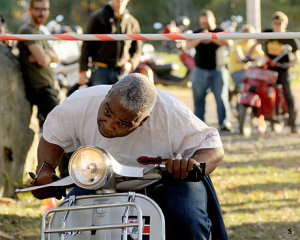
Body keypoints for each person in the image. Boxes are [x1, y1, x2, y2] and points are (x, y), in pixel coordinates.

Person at [30, 73, 227, 239]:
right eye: (107, 111)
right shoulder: (80, 103)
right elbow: (52, 138)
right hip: (100, 180)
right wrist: (45, 170)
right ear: (108, 94)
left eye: (123, 123)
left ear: (143, 120)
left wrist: (193, 165)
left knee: (187, 220)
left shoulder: (170, 113)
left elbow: (213, 147)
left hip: (166, 180)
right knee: (70, 222)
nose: (108, 124)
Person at [186, 10, 232, 132]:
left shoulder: (219, 31)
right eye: (202, 22)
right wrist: (201, 37)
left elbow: (228, 42)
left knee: (221, 98)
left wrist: (211, 37)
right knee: (198, 99)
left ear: (213, 20)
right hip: (200, 70)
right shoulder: (197, 32)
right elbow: (188, 46)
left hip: (218, 70)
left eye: (206, 22)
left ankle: (224, 122)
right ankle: (199, 124)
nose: (204, 24)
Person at [254, 11, 299, 133]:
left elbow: (296, 55)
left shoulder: (290, 37)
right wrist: (260, 56)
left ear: (285, 23)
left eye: (280, 23)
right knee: (259, 90)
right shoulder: (267, 33)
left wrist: (290, 63)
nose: (277, 25)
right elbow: (255, 45)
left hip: (282, 70)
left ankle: (293, 123)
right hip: (268, 69)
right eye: (275, 23)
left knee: (288, 94)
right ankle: (262, 117)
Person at [78, 0, 142, 86]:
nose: (119, 1)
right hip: (100, 71)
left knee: (122, 99)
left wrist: (131, 64)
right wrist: (83, 70)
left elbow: (137, 50)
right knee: (100, 98)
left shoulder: (133, 22)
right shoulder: (98, 18)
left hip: (122, 72)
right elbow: (86, 46)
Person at [17, 0, 60, 129]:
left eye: (45, 9)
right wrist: (46, 56)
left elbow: (56, 58)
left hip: (48, 88)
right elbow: (42, 60)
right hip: (40, 90)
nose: (42, 13)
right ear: (30, 10)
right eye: (38, 9)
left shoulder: (40, 32)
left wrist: (46, 55)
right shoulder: (27, 30)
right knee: (54, 131)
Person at [228, 24, 264, 92]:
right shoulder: (237, 44)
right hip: (237, 72)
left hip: (249, 71)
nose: (249, 37)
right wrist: (251, 56)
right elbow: (241, 59)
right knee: (251, 83)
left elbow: (262, 57)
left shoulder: (252, 44)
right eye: (247, 34)